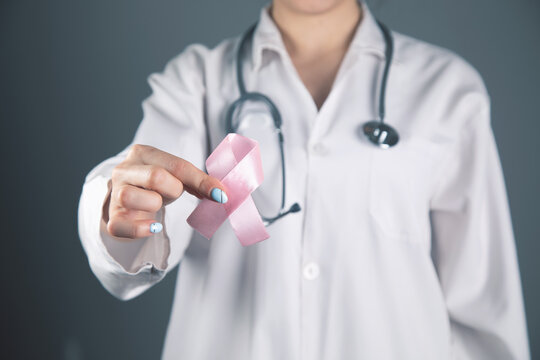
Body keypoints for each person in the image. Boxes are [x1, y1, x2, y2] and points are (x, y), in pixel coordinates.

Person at [77, 0, 530, 359]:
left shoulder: (448, 90)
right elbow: (144, 234)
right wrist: (119, 206)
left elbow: (484, 306)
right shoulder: (196, 83)